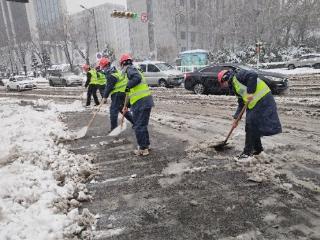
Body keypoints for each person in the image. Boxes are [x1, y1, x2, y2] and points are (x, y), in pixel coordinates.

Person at [217, 69, 282, 162]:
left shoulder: (238, 75)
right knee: (253, 126)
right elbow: (241, 103)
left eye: (222, 84)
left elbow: (253, 74)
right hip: (256, 103)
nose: (223, 86)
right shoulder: (235, 86)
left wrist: (250, 92)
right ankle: (258, 151)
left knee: (250, 125)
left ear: (224, 78)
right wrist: (236, 118)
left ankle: (247, 154)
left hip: (263, 99)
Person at [119, 53, 154, 156]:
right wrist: (127, 105)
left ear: (123, 63)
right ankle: (146, 145)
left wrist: (128, 86)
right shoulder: (135, 69)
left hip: (141, 102)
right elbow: (133, 92)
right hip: (145, 101)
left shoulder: (129, 69)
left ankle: (143, 149)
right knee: (142, 125)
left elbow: (137, 78)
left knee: (138, 126)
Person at [99, 57, 134, 132]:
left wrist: (104, 97)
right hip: (124, 93)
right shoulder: (116, 71)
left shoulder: (111, 75)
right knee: (122, 109)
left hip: (118, 94)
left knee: (113, 110)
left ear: (104, 66)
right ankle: (135, 123)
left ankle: (114, 129)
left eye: (102, 67)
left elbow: (109, 87)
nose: (102, 69)